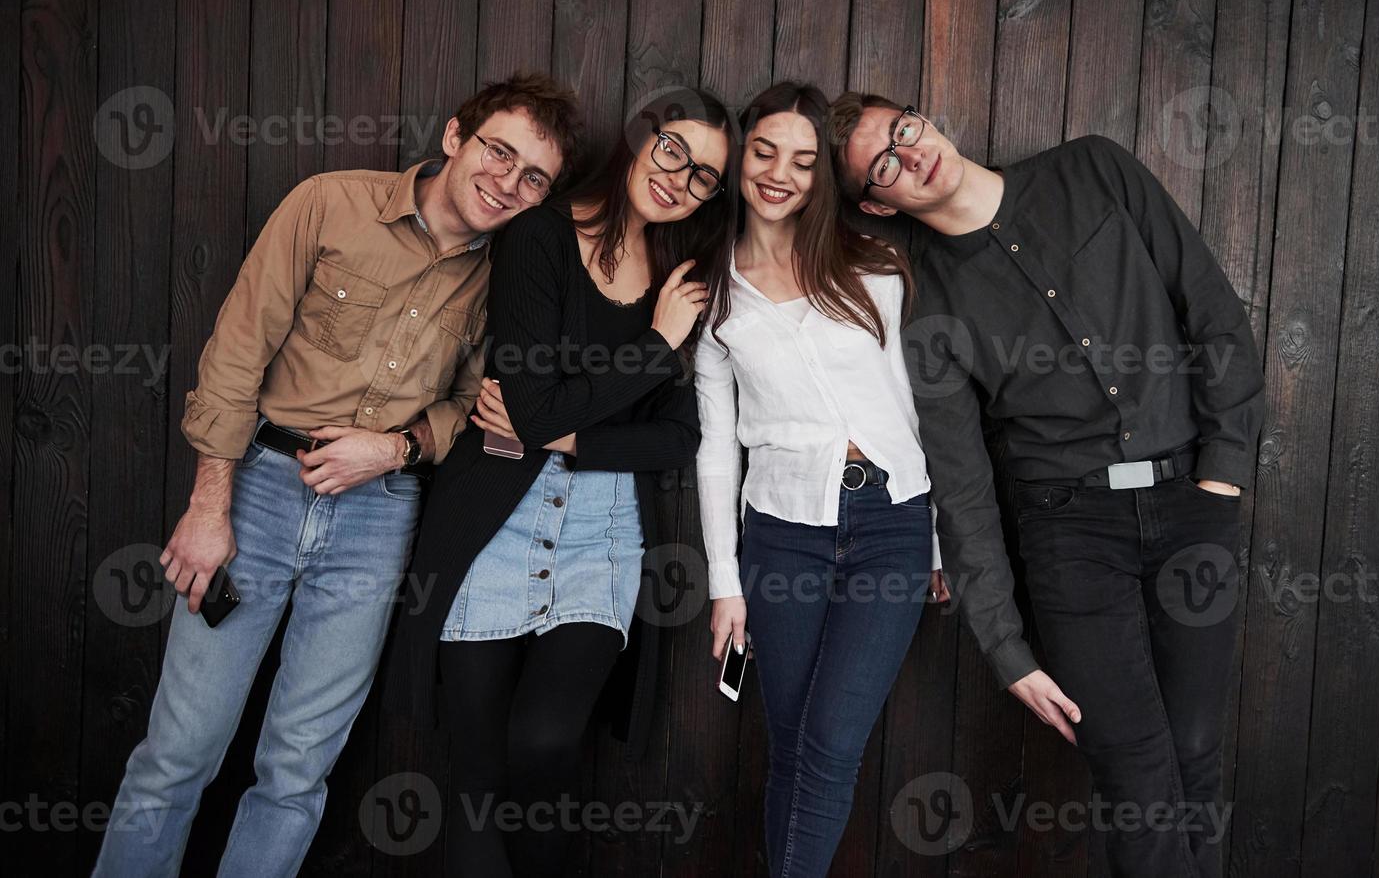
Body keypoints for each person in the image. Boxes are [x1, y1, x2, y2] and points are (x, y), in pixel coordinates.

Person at [92, 73, 584, 877]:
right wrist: (208, 504)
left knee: (296, 771)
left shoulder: (508, 279)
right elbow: (237, 349)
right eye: (500, 152)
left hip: (377, 514)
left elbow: (476, 403)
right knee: (177, 753)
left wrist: (396, 449)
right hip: (257, 488)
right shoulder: (330, 204)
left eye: (535, 177)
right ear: (457, 137)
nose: (509, 182)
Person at [831, 93, 1265, 877]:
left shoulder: (1092, 168)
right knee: (1135, 772)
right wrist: (1005, 647)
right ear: (876, 200)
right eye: (883, 163)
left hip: (1190, 506)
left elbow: (1213, 315)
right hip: (1068, 536)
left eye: (903, 130)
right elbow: (960, 486)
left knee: (1193, 750)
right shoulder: (926, 301)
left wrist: (1224, 476)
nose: (910, 152)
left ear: (926, 118)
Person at [385, 86, 736, 877]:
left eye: (705, 176)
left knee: (543, 745)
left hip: (602, 529)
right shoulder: (538, 235)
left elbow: (676, 436)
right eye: (673, 150)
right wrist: (651, 348)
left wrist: (574, 430)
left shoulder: (681, 278)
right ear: (640, 137)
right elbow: (530, 400)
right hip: (492, 517)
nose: (680, 179)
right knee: (476, 773)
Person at [696, 82, 948, 877]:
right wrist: (723, 584)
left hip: (891, 527)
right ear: (741, 156)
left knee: (831, 745)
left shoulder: (873, 265)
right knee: (793, 746)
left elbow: (916, 411)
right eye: (765, 152)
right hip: (780, 538)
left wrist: (937, 540)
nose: (780, 174)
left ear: (821, 178)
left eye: (804, 161)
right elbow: (714, 448)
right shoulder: (712, 295)